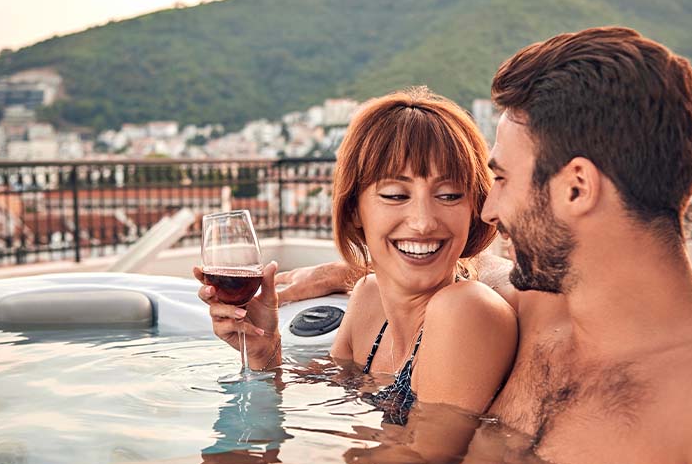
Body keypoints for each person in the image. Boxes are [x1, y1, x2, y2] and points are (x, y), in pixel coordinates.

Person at [278, 27, 692, 464]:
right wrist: (346, 271)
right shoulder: (532, 311)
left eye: (503, 179)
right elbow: (458, 267)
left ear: (576, 187)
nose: (488, 208)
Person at [196, 87, 518, 425]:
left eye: (450, 195)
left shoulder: (467, 309)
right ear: (354, 212)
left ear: (473, 210)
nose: (423, 222)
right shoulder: (368, 301)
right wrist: (265, 352)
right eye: (395, 195)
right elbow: (330, 406)